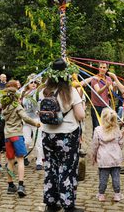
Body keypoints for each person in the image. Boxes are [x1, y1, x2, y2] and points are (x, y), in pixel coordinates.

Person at [40, 58, 85, 212]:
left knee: (50, 168)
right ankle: (68, 204)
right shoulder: (70, 91)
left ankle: (51, 204)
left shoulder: (44, 91)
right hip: (67, 136)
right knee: (66, 169)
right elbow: (80, 115)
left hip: (47, 136)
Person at [0, 83, 41, 197]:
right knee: (21, 160)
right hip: (17, 135)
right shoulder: (17, 106)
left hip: (7, 136)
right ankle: (21, 185)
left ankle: (10, 184)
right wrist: (36, 123)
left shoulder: (5, 107)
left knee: (10, 161)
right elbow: (26, 118)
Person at [91, 108, 124, 202]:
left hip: (103, 159)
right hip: (116, 158)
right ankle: (117, 194)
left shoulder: (98, 130)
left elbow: (95, 145)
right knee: (116, 177)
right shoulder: (117, 130)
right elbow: (121, 143)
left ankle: (101, 194)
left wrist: (93, 156)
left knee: (103, 178)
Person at [21, 73, 44, 170]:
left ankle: (39, 161)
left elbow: (42, 103)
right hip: (26, 120)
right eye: (31, 82)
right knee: (26, 141)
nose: (33, 84)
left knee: (38, 141)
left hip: (36, 120)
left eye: (35, 82)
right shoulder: (24, 94)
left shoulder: (39, 92)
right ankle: (25, 156)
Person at [90, 62, 113, 131]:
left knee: (106, 128)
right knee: (97, 128)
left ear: (107, 69)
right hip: (96, 106)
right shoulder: (95, 79)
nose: (102, 69)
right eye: (101, 67)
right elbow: (98, 92)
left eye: (104, 68)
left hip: (106, 106)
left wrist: (112, 88)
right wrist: (106, 86)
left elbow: (111, 90)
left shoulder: (108, 78)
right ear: (98, 68)